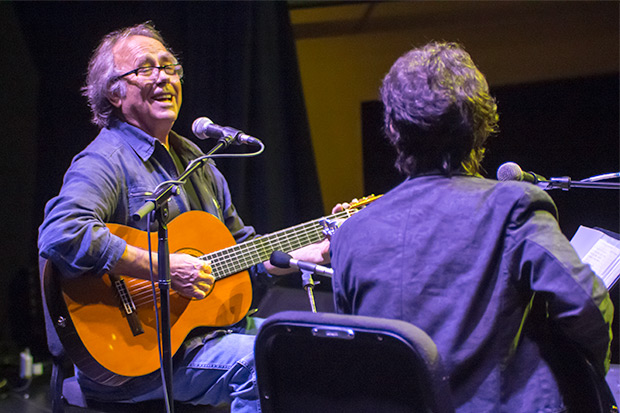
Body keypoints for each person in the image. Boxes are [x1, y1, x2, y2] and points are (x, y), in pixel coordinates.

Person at [38, 22, 335, 411]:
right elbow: (61, 233)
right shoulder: (105, 161)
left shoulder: (198, 162)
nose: (164, 77)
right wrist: (162, 267)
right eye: (146, 68)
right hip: (138, 358)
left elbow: (242, 255)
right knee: (264, 365)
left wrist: (302, 256)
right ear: (114, 92)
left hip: (206, 336)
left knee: (324, 344)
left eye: (170, 66)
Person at [329, 42, 614, 412]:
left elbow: (359, 357)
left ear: (393, 128)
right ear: (481, 124)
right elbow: (587, 305)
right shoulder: (512, 205)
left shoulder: (351, 234)